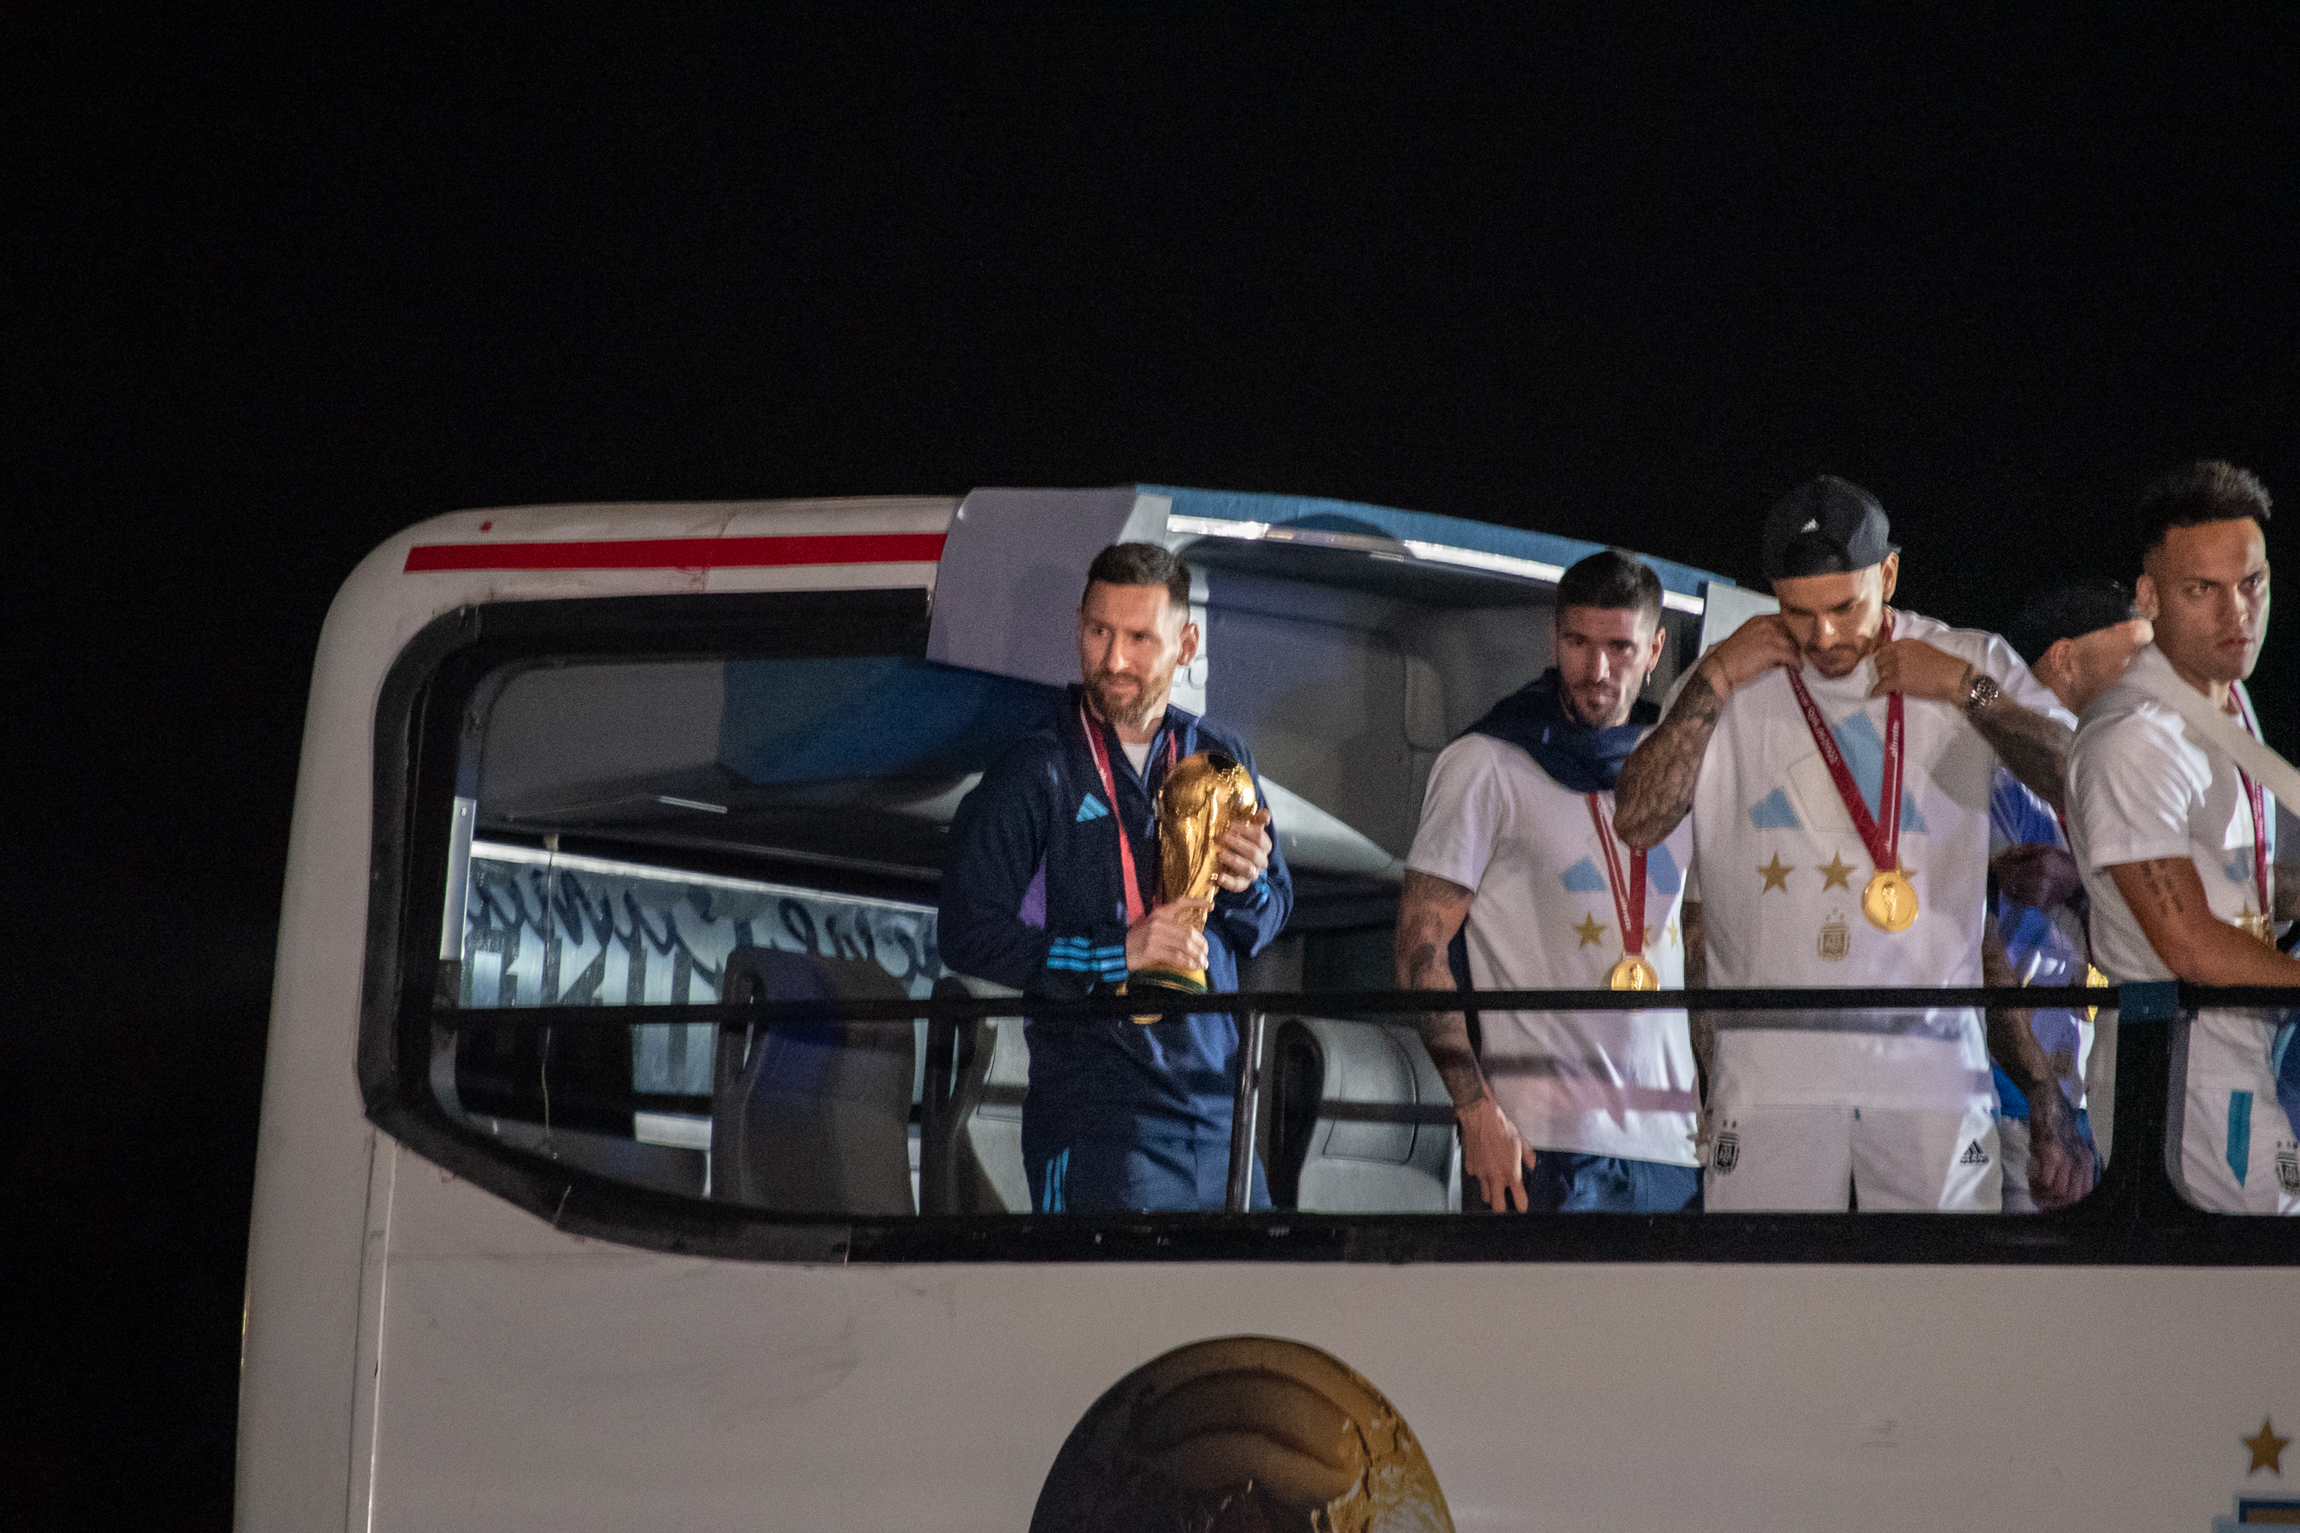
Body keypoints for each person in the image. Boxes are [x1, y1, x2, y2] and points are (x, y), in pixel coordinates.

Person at [1614, 475, 2076, 1212]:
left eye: (1844, 608)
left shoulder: (1963, 656)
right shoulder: (1729, 674)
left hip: (1931, 1071)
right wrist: (1716, 678)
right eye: (1797, 612)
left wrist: (1969, 690)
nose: (1823, 636)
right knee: (1769, 1284)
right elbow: (1637, 822)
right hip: (1769, 1075)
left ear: (1888, 575)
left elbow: (2076, 780)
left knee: (1940, 1283)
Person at [938, 542, 1292, 1213]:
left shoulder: (1220, 755)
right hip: (1095, 1117)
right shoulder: (1036, 767)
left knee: (1251, 1282)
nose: (1114, 660)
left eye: (1139, 638)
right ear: (1078, 626)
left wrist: (1247, 885)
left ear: (1186, 644)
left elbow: (1269, 916)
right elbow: (966, 932)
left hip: (1221, 1112)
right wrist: (1118, 952)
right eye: (1099, 632)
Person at [1396, 551, 1702, 1213]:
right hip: (1540, 1146)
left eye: (1620, 648)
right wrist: (1475, 1111)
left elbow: (1706, 944)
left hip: (1675, 1148)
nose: (1597, 670)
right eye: (1578, 643)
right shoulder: (1487, 761)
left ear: (1655, 650)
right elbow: (1420, 947)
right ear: (1553, 639)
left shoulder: (1680, 771)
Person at [2064, 460, 2300, 1215]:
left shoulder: (2227, 700)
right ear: (2149, 597)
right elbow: (2189, 943)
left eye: (2252, 583)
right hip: (2178, 1077)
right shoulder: (2137, 737)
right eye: (2202, 590)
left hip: (2245, 1052)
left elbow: (2242, 887)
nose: (2238, 612)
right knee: (2248, 1282)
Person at [1988, 579, 2155, 1202]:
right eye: (2135, 655)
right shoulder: (1985, 750)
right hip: (2004, 1088)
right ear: (2063, 657)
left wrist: (2080, 882)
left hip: (2081, 1080)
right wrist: (2040, 1099)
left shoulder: (2111, 766)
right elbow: (1972, 932)